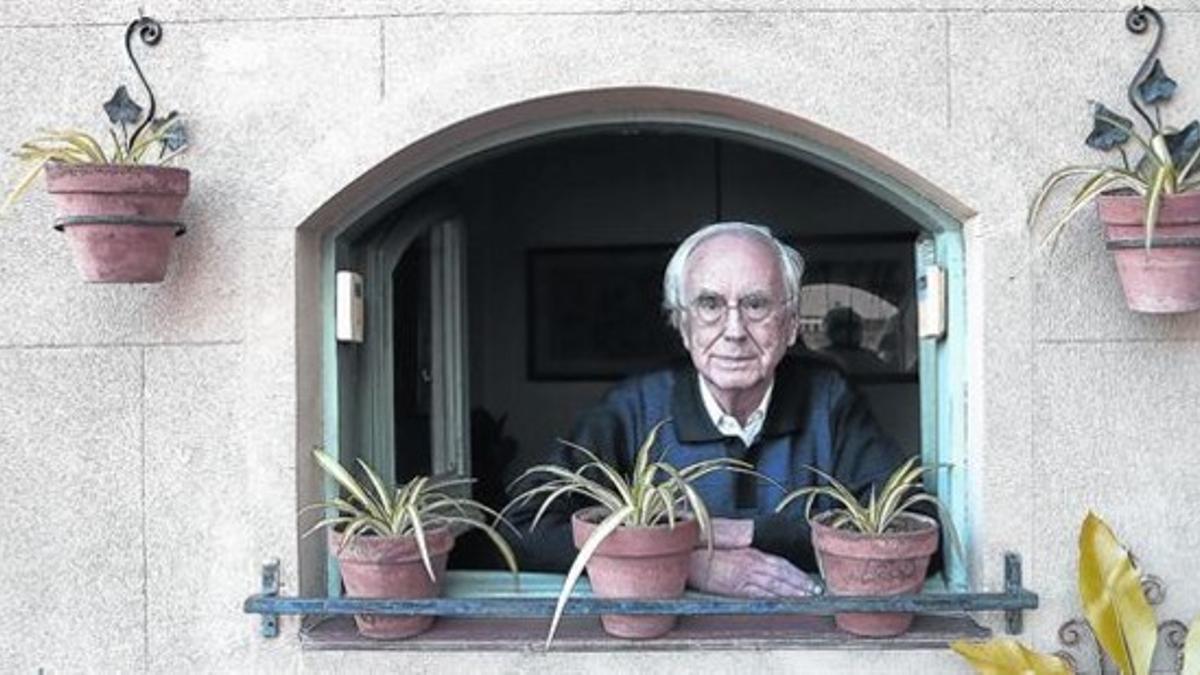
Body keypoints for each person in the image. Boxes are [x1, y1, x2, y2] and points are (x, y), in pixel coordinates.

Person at [505, 222, 916, 598]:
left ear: (790, 325)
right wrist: (685, 562)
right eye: (709, 304)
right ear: (683, 326)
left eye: (756, 305)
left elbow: (914, 526)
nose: (734, 331)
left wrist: (735, 532)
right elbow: (522, 529)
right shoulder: (632, 408)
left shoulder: (829, 400)